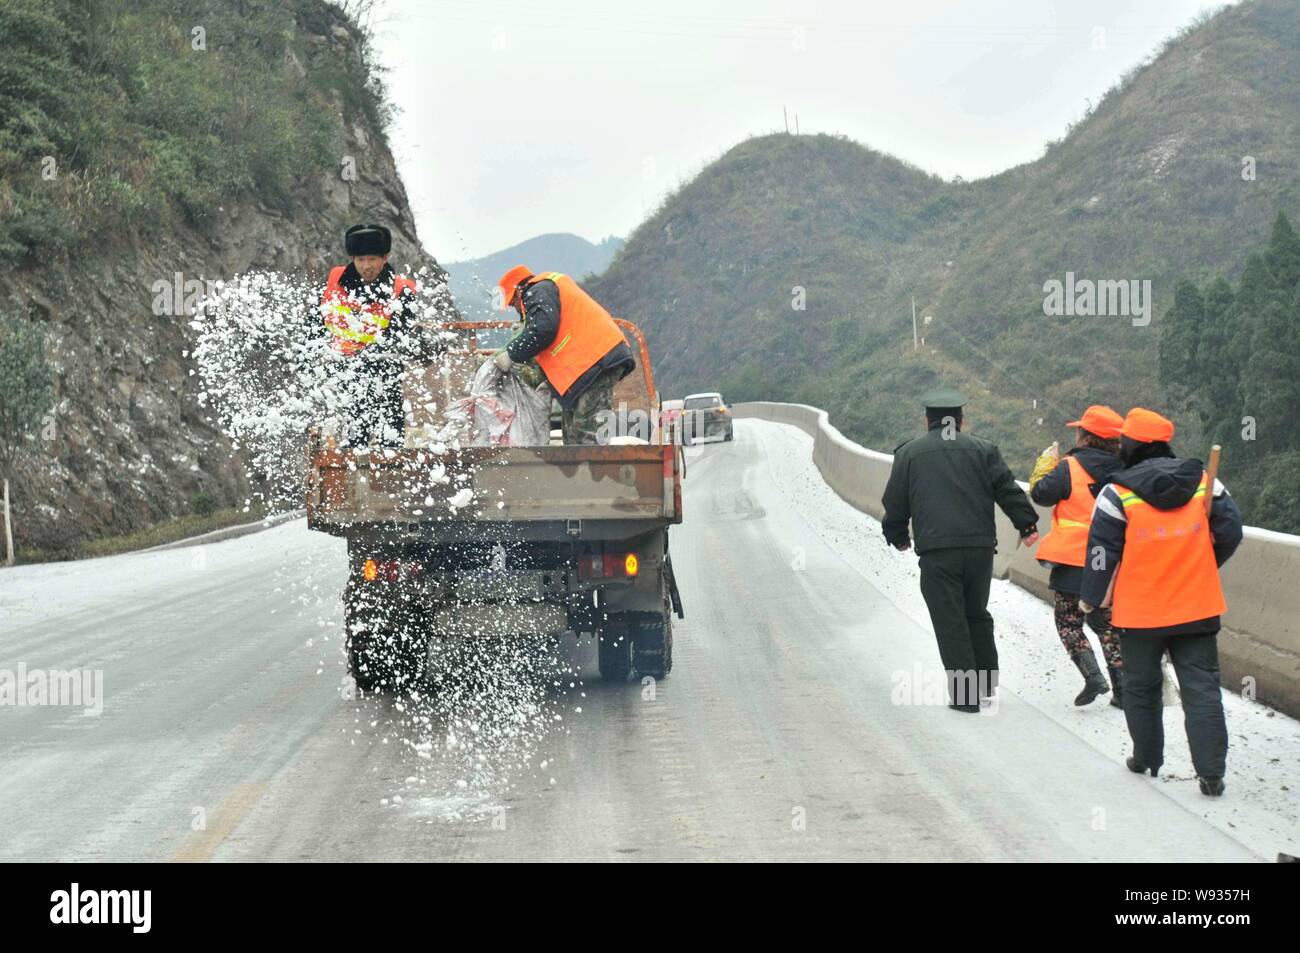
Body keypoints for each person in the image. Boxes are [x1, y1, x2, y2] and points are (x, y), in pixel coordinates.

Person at [1079, 408, 1244, 796]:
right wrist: (1206, 562)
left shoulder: (1115, 493)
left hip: (1140, 613)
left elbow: (1102, 555)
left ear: (1130, 446)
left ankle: (1147, 758)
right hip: (1197, 606)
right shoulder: (1206, 483)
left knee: (1141, 686)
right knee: (1201, 686)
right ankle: (1211, 773)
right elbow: (1231, 531)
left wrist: (1092, 601)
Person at [882, 389, 1040, 712]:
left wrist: (898, 535)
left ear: (928, 421)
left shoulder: (909, 454)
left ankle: (966, 697)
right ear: (961, 420)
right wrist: (1026, 525)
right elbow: (1007, 489)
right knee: (976, 613)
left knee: (950, 620)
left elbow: (895, 503)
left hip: (938, 553)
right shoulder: (984, 450)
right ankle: (984, 686)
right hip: (980, 550)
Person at [1029, 405, 1125, 707]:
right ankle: (1124, 692)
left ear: (1086, 436)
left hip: (1073, 558)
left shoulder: (1069, 466)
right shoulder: (1128, 469)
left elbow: (1041, 495)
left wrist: (1045, 466)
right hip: (1111, 560)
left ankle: (1093, 676)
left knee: (1069, 621)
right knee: (1107, 625)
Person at [492, 266, 635, 444]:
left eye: (513, 302)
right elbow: (547, 338)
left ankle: (593, 470)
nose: (515, 308)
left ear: (519, 291)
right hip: (585, 367)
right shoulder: (544, 293)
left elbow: (543, 331)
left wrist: (511, 354)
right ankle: (579, 469)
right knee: (574, 437)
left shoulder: (537, 291)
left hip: (596, 360)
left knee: (585, 435)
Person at [320, 224, 419, 448]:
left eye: (372, 259)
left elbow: (400, 335)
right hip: (343, 370)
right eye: (360, 259)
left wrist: (367, 356)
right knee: (353, 434)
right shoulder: (336, 282)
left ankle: (391, 467)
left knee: (390, 435)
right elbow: (317, 320)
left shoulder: (400, 291)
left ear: (385, 258)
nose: (366, 266)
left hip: (384, 369)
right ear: (353, 259)